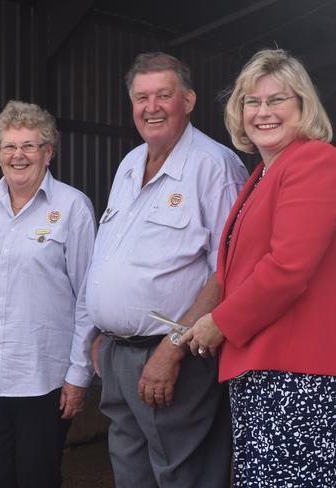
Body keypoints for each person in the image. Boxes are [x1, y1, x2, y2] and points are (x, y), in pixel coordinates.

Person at [86, 52, 248, 487]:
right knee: (131, 473)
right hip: (120, 354)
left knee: (182, 474)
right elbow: (114, 256)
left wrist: (173, 347)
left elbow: (229, 271)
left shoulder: (214, 166)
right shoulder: (129, 164)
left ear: (189, 100)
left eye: (164, 95)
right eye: (141, 97)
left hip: (172, 355)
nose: (151, 107)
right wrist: (103, 331)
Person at [179, 49, 336, 487]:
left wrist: (220, 323)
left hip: (297, 376)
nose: (263, 112)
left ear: (303, 106)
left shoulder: (313, 160)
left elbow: (288, 267)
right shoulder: (263, 174)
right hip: (264, 371)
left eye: (277, 100)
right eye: (252, 101)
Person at [0, 100, 97, 488]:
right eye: (9, 146)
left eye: (29, 145)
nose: (18, 155)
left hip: (44, 378)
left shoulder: (72, 207)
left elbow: (87, 299)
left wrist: (78, 375)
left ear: (49, 152)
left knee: (38, 477)